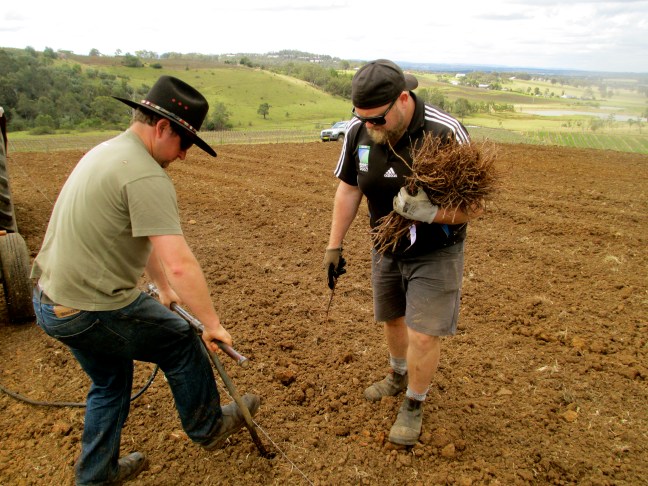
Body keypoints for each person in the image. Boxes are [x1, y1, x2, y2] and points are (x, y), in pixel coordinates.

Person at [31, 75, 260, 485]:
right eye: (185, 143)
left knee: (110, 380)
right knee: (180, 341)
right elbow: (179, 262)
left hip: (49, 301)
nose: (184, 156)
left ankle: (96, 475)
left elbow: (145, 237)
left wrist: (165, 292)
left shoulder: (107, 151)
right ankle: (207, 428)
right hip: (88, 308)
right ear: (161, 127)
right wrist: (211, 325)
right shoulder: (145, 175)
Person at [323, 60, 482, 446]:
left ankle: (414, 401)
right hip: (385, 245)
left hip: (436, 251)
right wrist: (334, 244)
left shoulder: (445, 132)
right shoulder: (359, 131)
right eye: (361, 118)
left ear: (403, 99)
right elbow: (349, 188)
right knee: (392, 319)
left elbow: (475, 205)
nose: (369, 126)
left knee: (423, 334)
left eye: (377, 118)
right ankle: (398, 374)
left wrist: (432, 213)